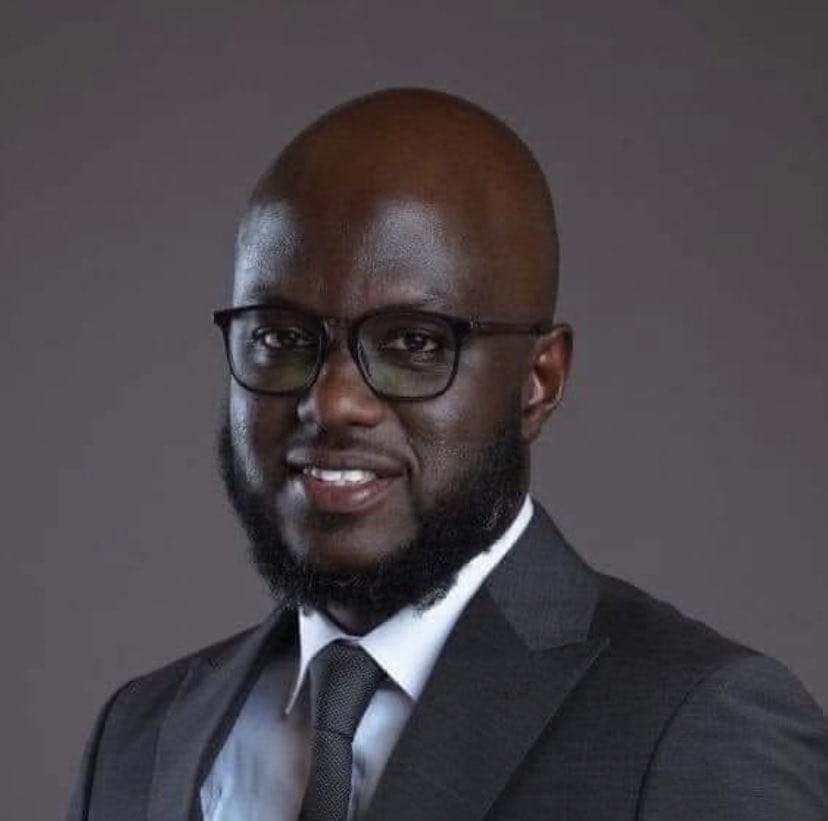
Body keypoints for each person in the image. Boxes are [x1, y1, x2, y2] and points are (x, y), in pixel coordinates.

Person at [67, 89, 828, 821]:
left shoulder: (697, 729)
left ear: (538, 381)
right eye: (280, 336)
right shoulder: (138, 737)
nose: (332, 402)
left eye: (413, 342)